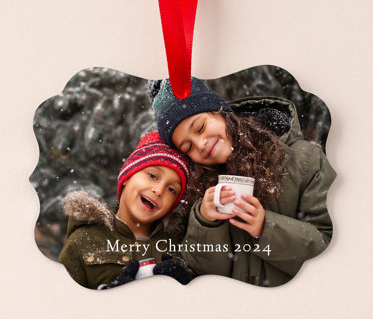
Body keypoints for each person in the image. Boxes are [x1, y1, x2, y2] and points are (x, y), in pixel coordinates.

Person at [149, 78, 336, 287]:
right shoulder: (197, 189)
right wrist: (206, 223)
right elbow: (204, 276)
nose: (200, 144)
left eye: (200, 127)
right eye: (187, 147)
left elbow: (330, 251)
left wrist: (266, 228)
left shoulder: (304, 160)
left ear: (221, 112)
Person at [58, 131, 191, 289]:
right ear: (127, 177)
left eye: (171, 189)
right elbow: (60, 303)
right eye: (153, 176)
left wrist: (186, 287)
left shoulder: (181, 247)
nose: (159, 190)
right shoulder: (84, 240)